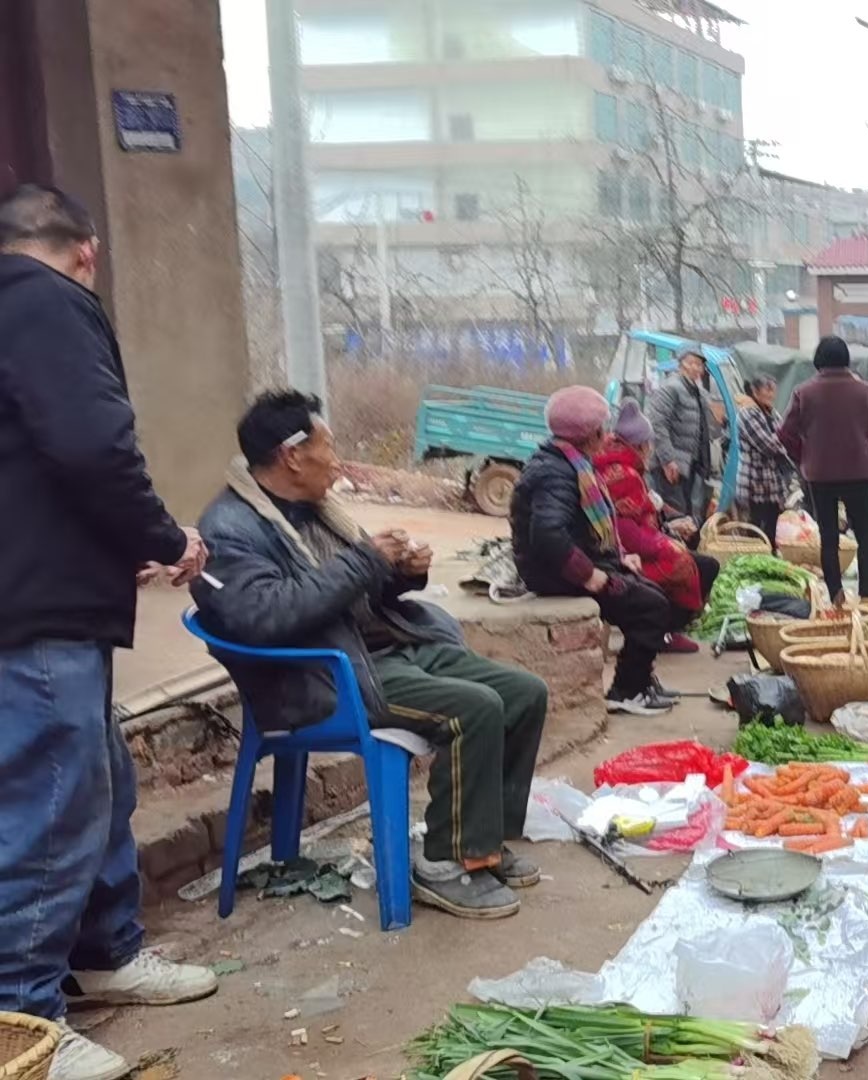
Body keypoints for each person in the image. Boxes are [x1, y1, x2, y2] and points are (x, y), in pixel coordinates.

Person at [0, 183, 217, 1080]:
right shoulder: (46, 301)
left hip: (48, 587)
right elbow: (92, 445)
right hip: (33, 611)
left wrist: (105, 548)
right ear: (86, 250)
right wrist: (165, 538)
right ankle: (21, 1019)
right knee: (50, 804)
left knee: (98, 782)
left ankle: (104, 951)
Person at [196, 390, 551, 924]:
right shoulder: (231, 528)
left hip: (382, 649)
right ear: (292, 455)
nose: (336, 462)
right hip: (323, 675)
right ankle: (441, 863)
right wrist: (365, 561)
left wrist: (403, 571)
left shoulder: (318, 510)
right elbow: (264, 617)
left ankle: (483, 845)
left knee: (525, 693)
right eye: (328, 447)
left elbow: (362, 592)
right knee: (473, 708)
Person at [514, 387, 680, 716]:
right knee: (649, 607)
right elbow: (548, 535)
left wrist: (616, 560)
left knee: (652, 591)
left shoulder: (569, 462)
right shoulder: (555, 472)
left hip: (574, 561)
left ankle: (639, 680)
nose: (606, 436)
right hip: (554, 572)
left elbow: (583, 528)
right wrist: (591, 575)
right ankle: (626, 691)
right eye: (601, 429)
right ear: (588, 435)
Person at [595, 402, 720, 651]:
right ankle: (664, 631)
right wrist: (666, 543)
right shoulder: (624, 474)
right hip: (630, 554)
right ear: (640, 445)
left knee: (697, 557)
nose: (651, 449)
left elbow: (642, 511)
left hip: (631, 548)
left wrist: (668, 519)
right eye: (649, 444)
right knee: (698, 565)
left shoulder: (622, 466)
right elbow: (625, 530)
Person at [779, 337, 868, 608]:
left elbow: (785, 433)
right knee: (866, 536)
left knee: (828, 537)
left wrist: (803, 455)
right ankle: (867, 596)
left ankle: (836, 597)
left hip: (820, 476)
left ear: (819, 361)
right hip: (859, 472)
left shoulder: (803, 392)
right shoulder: (865, 392)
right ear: (846, 360)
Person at [647, 349, 717, 521]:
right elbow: (657, 423)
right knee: (674, 511)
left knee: (689, 512)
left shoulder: (698, 392)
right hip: (671, 464)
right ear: (681, 364)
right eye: (692, 363)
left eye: (699, 365)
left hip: (691, 464)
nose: (696, 368)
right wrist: (668, 459)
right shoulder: (671, 388)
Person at [736, 375, 792, 551]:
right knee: (756, 533)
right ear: (755, 391)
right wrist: (783, 442)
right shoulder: (747, 415)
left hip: (773, 486)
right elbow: (768, 445)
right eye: (767, 389)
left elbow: (786, 438)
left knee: (771, 532)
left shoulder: (772, 413)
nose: (771, 394)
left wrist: (784, 442)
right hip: (755, 483)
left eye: (773, 390)